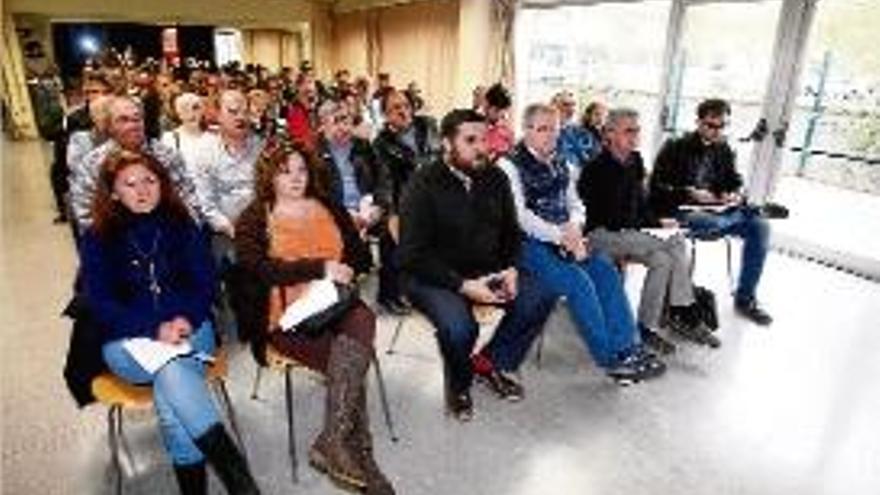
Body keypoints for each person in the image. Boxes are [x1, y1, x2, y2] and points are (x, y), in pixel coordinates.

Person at [79, 150, 260, 494]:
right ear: (113, 192)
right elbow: (101, 304)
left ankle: (232, 486)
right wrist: (154, 327)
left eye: (150, 180)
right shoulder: (98, 237)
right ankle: (240, 481)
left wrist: (184, 318)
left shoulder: (182, 225)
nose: (142, 190)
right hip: (128, 342)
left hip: (191, 330)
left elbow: (205, 285)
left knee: (173, 394)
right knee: (176, 372)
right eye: (129, 184)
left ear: (162, 184)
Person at [234, 141, 395, 495]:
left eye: (301, 170)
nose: (295, 178)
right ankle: (360, 454)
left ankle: (335, 443)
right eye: (285, 171)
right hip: (287, 317)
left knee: (360, 327)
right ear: (268, 176)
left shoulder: (329, 206)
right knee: (352, 360)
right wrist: (319, 268)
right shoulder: (254, 217)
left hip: (334, 304)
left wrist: (349, 269)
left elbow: (360, 257)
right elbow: (255, 268)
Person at [399, 109, 558, 421]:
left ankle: (489, 363)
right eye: (470, 140)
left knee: (541, 295)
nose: (481, 147)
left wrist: (511, 268)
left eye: (484, 139)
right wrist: (462, 286)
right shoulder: (423, 183)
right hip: (433, 275)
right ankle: (459, 385)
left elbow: (512, 233)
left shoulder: (495, 177)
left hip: (486, 270)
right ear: (447, 143)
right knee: (460, 328)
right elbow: (411, 255)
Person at [497, 103, 666, 384]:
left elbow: (576, 203)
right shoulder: (508, 165)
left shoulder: (564, 162)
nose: (550, 136)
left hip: (565, 236)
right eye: (542, 129)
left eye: (555, 129)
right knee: (578, 282)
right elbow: (520, 217)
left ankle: (628, 348)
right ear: (525, 130)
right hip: (526, 244)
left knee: (603, 269)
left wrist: (574, 226)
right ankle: (611, 359)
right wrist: (561, 235)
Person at [578, 108, 720, 353]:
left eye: (638, 130)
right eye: (628, 131)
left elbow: (642, 204)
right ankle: (684, 312)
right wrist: (647, 229)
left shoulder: (636, 161)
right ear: (610, 133)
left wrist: (657, 222)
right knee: (676, 243)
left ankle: (646, 328)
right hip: (601, 235)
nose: (635, 136)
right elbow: (611, 219)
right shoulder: (596, 168)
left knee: (663, 260)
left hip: (632, 234)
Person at [650, 98, 772, 325]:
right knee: (709, 223)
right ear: (698, 122)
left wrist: (732, 193)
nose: (717, 131)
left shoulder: (724, 149)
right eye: (711, 125)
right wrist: (690, 192)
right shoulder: (675, 146)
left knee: (761, 227)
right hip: (682, 210)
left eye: (722, 126)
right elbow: (656, 187)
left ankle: (745, 298)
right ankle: (744, 213)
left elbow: (734, 181)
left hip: (718, 210)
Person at [69, 96, 204, 231]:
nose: (133, 125)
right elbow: (85, 215)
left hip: (167, 237)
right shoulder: (93, 164)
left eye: (137, 119)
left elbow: (189, 202)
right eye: (123, 120)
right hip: (115, 241)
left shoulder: (166, 156)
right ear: (109, 126)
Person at [191, 89, 263, 340]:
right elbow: (206, 205)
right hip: (225, 230)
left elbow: (269, 189)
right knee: (241, 266)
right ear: (217, 115)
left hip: (261, 224)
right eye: (233, 111)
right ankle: (250, 326)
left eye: (245, 110)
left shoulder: (259, 145)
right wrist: (234, 228)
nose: (241, 117)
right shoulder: (204, 151)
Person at [372, 89, 441, 314]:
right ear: (385, 115)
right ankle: (388, 295)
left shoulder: (428, 125)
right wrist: (392, 214)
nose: (403, 111)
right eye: (395, 108)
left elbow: (442, 157)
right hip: (403, 201)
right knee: (390, 241)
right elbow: (385, 182)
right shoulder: (381, 144)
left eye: (405, 105)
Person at [315, 99, 383, 235]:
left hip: (367, 211)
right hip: (334, 217)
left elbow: (383, 180)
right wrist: (344, 215)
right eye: (336, 121)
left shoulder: (363, 146)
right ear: (323, 125)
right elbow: (316, 195)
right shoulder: (314, 152)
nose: (344, 128)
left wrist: (378, 207)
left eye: (346, 121)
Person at [552, 91, 599, 169]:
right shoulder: (543, 133)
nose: (571, 109)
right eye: (565, 104)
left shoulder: (583, 133)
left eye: (573, 105)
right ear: (553, 107)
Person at [160, 92, 205, 172]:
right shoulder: (169, 139)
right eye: (185, 108)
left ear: (202, 110)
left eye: (195, 108)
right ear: (178, 113)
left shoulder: (214, 138)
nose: (191, 113)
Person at [482, 83, 515, 162]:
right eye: (496, 110)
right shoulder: (474, 128)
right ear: (486, 105)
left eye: (502, 111)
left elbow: (513, 156)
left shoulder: (507, 131)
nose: (499, 115)